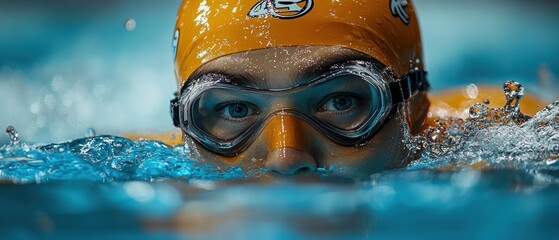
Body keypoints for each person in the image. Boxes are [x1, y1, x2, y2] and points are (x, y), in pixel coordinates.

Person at [157, 0, 544, 176]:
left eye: (339, 100)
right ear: (185, 124)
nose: (286, 158)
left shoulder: (517, 148)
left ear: (413, 106)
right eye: (235, 110)